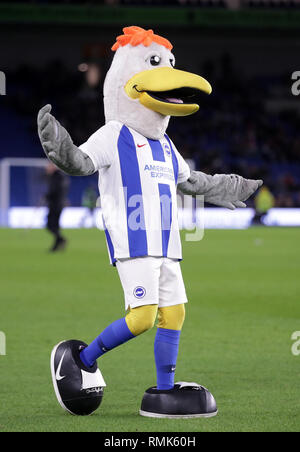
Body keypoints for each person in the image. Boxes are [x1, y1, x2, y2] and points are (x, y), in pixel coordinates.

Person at [38, 26, 262, 418]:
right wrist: (61, 149)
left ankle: (163, 390)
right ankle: (81, 359)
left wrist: (226, 188)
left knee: (174, 313)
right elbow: (81, 162)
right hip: (133, 240)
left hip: (168, 243)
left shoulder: (166, 144)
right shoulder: (114, 134)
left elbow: (190, 181)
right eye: (157, 63)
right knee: (142, 318)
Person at [45, 162, 69, 252]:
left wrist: (47, 196)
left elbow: (54, 191)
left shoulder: (57, 177)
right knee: (54, 225)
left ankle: (60, 240)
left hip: (56, 204)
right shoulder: (61, 177)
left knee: (51, 225)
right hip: (58, 204)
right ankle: (57, 243)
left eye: (48, 167)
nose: (46, 169)